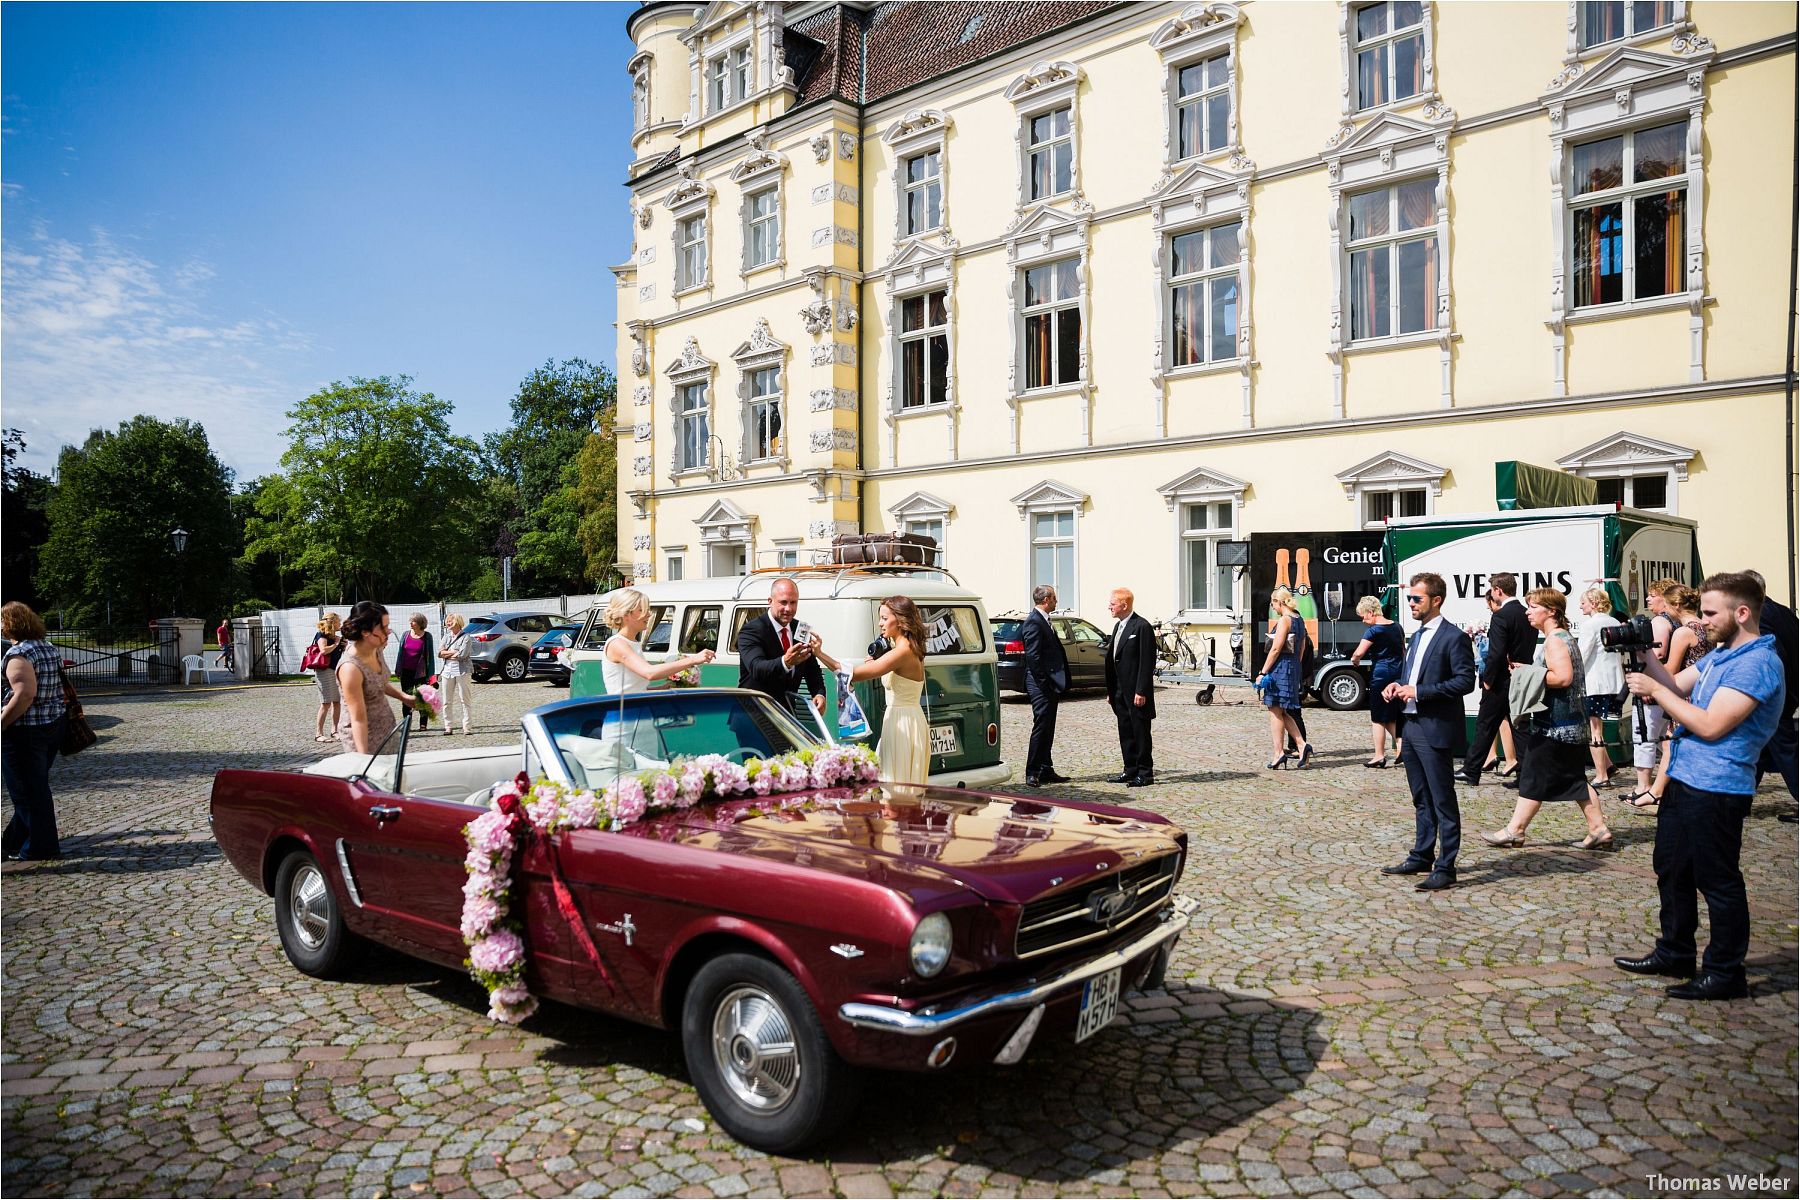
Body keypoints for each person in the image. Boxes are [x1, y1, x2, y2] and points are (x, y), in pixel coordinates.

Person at [1616, 571, 1786, 1000]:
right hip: (1686, 780)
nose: (1702, 620)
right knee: (1672, 870)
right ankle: (1675, 952)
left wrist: (1656, 689)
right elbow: (1674, 685)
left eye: (1711, 612)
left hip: (1719, 787)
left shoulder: (1758, 664)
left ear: (1741, 612)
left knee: (1718, 881)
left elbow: (1710, 725)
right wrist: (1643, 653)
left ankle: (1725, 973)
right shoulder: (1722, 654)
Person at [1481, 588, 1614, 851]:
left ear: (1551, 611)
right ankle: (1598, 829)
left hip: (1556, 725)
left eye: (1533, 607)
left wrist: (1531, 674)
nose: (1528, 611)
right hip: (1568, 723)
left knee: (1532, 775)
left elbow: (1563, 678)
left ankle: (1515, 830)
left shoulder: (1555, 639)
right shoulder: (1561, 636)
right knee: (1574, 778)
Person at [1380, 572, 1476, 892]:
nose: (1410, 603)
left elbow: (1465, 682)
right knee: (1420, 798)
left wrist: (1419, 692)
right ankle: (1422, 854)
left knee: (1442, 800)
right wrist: (1398, 686)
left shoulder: (1453, 637)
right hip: (1411, 726)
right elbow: (1412, 675)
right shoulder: (1417, 635)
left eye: (1416, 598)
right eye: (1409, 597)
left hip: (1435, 728)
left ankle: (1446, 867)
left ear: (1436, 600)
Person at [816, 597, 929, 786]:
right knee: (901, 784)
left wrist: (819, 653)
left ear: (900, 620)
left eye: (884, 618)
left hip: (903, 723)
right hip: (908, 719)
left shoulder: (901, 652)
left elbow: (854, 675)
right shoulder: (910, 648)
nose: (880, 623)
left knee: (897, 787)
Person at [2, 602, 69, 861]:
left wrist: (3, 723)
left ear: (11, 623)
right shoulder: (47, 647)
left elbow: (25, 694)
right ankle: (12, 841)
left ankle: (41, 847)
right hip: (52, 724)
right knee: (34, 787)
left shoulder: (19, 654)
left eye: (1, 621)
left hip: (25, 730)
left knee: (28, 792)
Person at [1462, 573, 1532, 787]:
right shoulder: (1526, 613)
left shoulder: (1502, 616)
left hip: (1501, 680)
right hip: (1522, 676)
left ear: (1498, 591)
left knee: (1485, 725)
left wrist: (1488, 680)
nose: (1492, 592)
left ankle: (1471, 771)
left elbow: (1496, 652)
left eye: (1492, 589)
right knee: (1520, 728)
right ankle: (1524, 776)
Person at [1623, 578, 1681, 810]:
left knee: (1646, 736)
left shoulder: (1660, 622)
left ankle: (1643, 787)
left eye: (1652, 595)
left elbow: (1656, 656)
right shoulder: (1676, 622)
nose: (1647, 599)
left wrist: (1647, 684)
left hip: (1655, 686)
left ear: (1664, 598)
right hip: (1672, 687)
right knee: (1665, 740)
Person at [737, 577, 827, 724]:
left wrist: (819, 694)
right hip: (754, 717)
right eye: (783, 602)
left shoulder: (801, 629)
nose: (789, 609)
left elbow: (812, 669)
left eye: (793, 603)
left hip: (787, 718)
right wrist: (785, 662)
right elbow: (756, 668)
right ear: (770, 601)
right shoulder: (751, 630)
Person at [336, 601, 413, 756]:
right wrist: (363, 759)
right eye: (383, 627)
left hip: (386, 729)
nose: (389, 631)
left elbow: (378, 683)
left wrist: (404, 697)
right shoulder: (350, 668)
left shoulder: (376, 649)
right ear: (366, 632)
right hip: (362, 736)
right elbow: (358, 719)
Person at [602, 589, 714, 694]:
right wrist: (693, 659)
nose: (649, 614)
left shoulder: (631, 642)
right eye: (642, 610)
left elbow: (632, 689)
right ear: (626, 615)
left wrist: (659, 689)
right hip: (624, 712)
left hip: (635, 709)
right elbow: (649, 673)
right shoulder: (617, 644)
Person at [1746, 570, 1796, 803]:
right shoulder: (1784, 611)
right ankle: (1740, 799)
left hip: (1773, 693)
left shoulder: (1761, 616)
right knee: (1759, 748)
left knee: (1785, 750)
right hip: (1788, 689)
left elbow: (1773, 655)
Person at [1103, 587, 1157, 787]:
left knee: (1140, 731)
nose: (1109, 606)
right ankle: (1130, 769)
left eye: (1113, 603)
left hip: (1136, 691)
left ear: (1124, 605)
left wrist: (1141, 690)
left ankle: (1145, 772)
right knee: (1125, 730)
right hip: (1119, 690)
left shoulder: (1141, 626)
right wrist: (1111, 690)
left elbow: (1147, 661)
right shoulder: (1118, 627)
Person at [1255, 587, 1313, 769]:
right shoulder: (1299, 619)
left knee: (1274, 709)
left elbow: (1275, 648)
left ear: (1279, 602)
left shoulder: (1285, 620)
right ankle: (1302, 746)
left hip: (1280, 668)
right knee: (1283, 710)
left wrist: (1263, 672)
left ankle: (1279, 753)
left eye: (1273, 604)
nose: (1273, 607)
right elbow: (1302, 647)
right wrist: (1295, 665)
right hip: (1293, 666)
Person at [1575, 587, 1625, 787]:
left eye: (1583, 602)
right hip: (1614, 681)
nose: (1580, 606)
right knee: (1597, 727)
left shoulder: (1590, 625)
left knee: (1594, 730)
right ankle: (1609, 767)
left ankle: (1601, 775)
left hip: (1595, 682)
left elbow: (1581, 655)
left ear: (1594, 603)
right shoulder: (1614, 621)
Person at [1021, 585, 1070, 787]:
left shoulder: (1044, 620)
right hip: (1040, 684)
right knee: (1041, 727)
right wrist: (1044, 684)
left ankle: (1045, 769)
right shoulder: (1033, 622)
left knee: (1048, 727)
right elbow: (1033, 657)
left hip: (1050, 683)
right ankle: (1032, 771)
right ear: (1047, 599)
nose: (1057, 602)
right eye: (1055, 598)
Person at [1349, 594, 1404, 768]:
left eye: (1364, 616)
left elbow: (1359, 652)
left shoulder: (1374, 630)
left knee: (1378, 717)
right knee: (1392, 716)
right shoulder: (1397, 627)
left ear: (1371, 612)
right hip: (1398, 672)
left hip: (1381, 674)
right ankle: (1403, 748)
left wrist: (1355, 660)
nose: (1364, 620)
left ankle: (1379, 755)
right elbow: (1403, 651)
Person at [394, 614, 436, 732]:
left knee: (422, 698)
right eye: (410, 621)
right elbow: (400, 653)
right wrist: (398, 669)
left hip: (421, 673)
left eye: (413, 621)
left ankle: (423, 724)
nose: (410, 623)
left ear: (420, 623)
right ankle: (407, 723)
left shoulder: (427, 637)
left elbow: (430, 657)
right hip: (406, 671)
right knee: (406, 698)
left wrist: (431, 675)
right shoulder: (405, 635)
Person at [310, 613, 346, 743]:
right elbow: (323, 650)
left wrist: (343, 645)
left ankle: (334, 731)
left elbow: (340, 653)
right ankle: (318, 734)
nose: (340, 624)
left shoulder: (334, 637)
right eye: (338, 622)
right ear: (332, 622)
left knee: (337, 702)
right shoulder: (322, 634)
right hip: (324, 671)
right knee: (325, 703)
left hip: (335, 670)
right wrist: (336, 643)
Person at [437, 613, 474, 735]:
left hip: (462, 671)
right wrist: (454, 653)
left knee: (465, 699)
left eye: (451, 620)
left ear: (458, 622)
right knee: (447, 701)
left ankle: (467, 726)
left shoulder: (466, 637)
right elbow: (440, 653)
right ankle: (448, 726)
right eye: (447, 621)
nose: (448, 623)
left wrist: (447, 653)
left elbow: (463, 655)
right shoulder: (446, 637)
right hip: (447, 671)